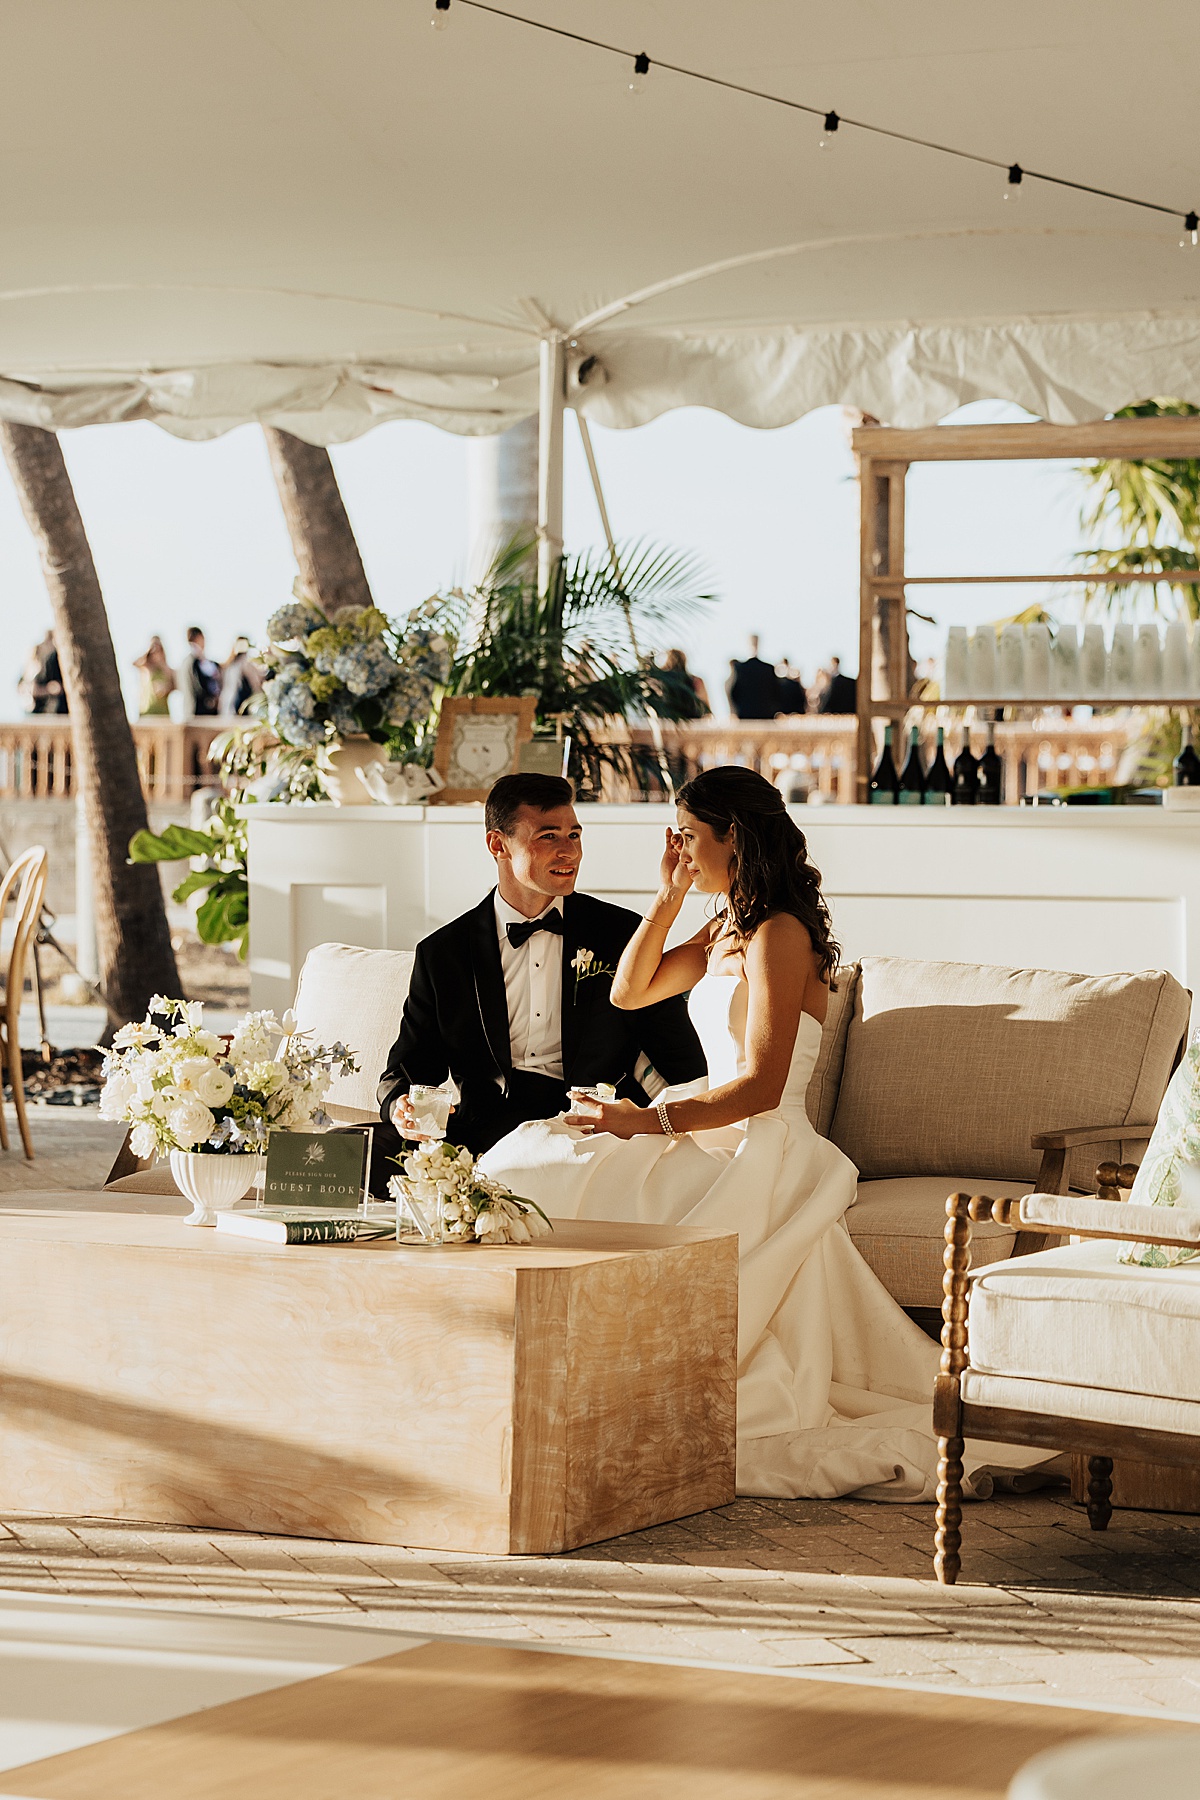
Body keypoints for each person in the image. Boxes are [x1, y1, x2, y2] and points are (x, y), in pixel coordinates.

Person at [481, 766, 1035, 1501]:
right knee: (532, 1156)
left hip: (762, 1141)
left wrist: (644, 1122)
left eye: (688, 837)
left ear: (732, 837)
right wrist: (669, 895)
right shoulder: (727, 927)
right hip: (705, 1120)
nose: (678, 848)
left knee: (588, 1171)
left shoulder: (779, 934)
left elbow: (765, 1087)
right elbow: (629, 990)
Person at [375, 771, 707, 1185]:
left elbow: (677, 1052)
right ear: (498, 845)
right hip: (481, 1130)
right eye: (549, 836)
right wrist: (401, 1105)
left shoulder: (621, 935)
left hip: (582, 1129)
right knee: (356, 1151)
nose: (569, 852)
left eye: (574, 835)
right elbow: (407, 1066)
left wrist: (676, 1119)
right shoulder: (443, 952)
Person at [726, 635, 780, 720]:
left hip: (745, 715)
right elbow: (777, 692)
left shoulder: (740, 668)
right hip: (766, 715)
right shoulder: (768, 669)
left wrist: (738, 708)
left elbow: (733, 692)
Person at [176, 627, 222, 718]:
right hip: (199, 712)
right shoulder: (193, 662)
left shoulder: (187, 661)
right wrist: (211, 700)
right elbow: (197, 686)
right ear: (198, 637)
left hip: (192, 710)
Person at [19, 632, 67, 714]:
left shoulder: (51, 663)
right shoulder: (35, 668)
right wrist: (49, 689)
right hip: (36, 710)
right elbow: (29, 689)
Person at [133, 636, 176, 716]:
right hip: (146, 711)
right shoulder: (146, 667)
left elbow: (176, 685)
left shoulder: (167, 670)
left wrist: (165, 688)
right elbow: (134, 663)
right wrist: (149, 649)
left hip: (162, 713)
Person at [220, 636, 263, 716]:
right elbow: (255, 683)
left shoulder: (229, 664)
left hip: (227, 704)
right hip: (239, 704)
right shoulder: (245, 662)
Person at [662, 647, 710, 714]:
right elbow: (704, 699)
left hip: (667, 717)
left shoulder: (662, 679)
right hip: (691, 716)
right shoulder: (695, 679)